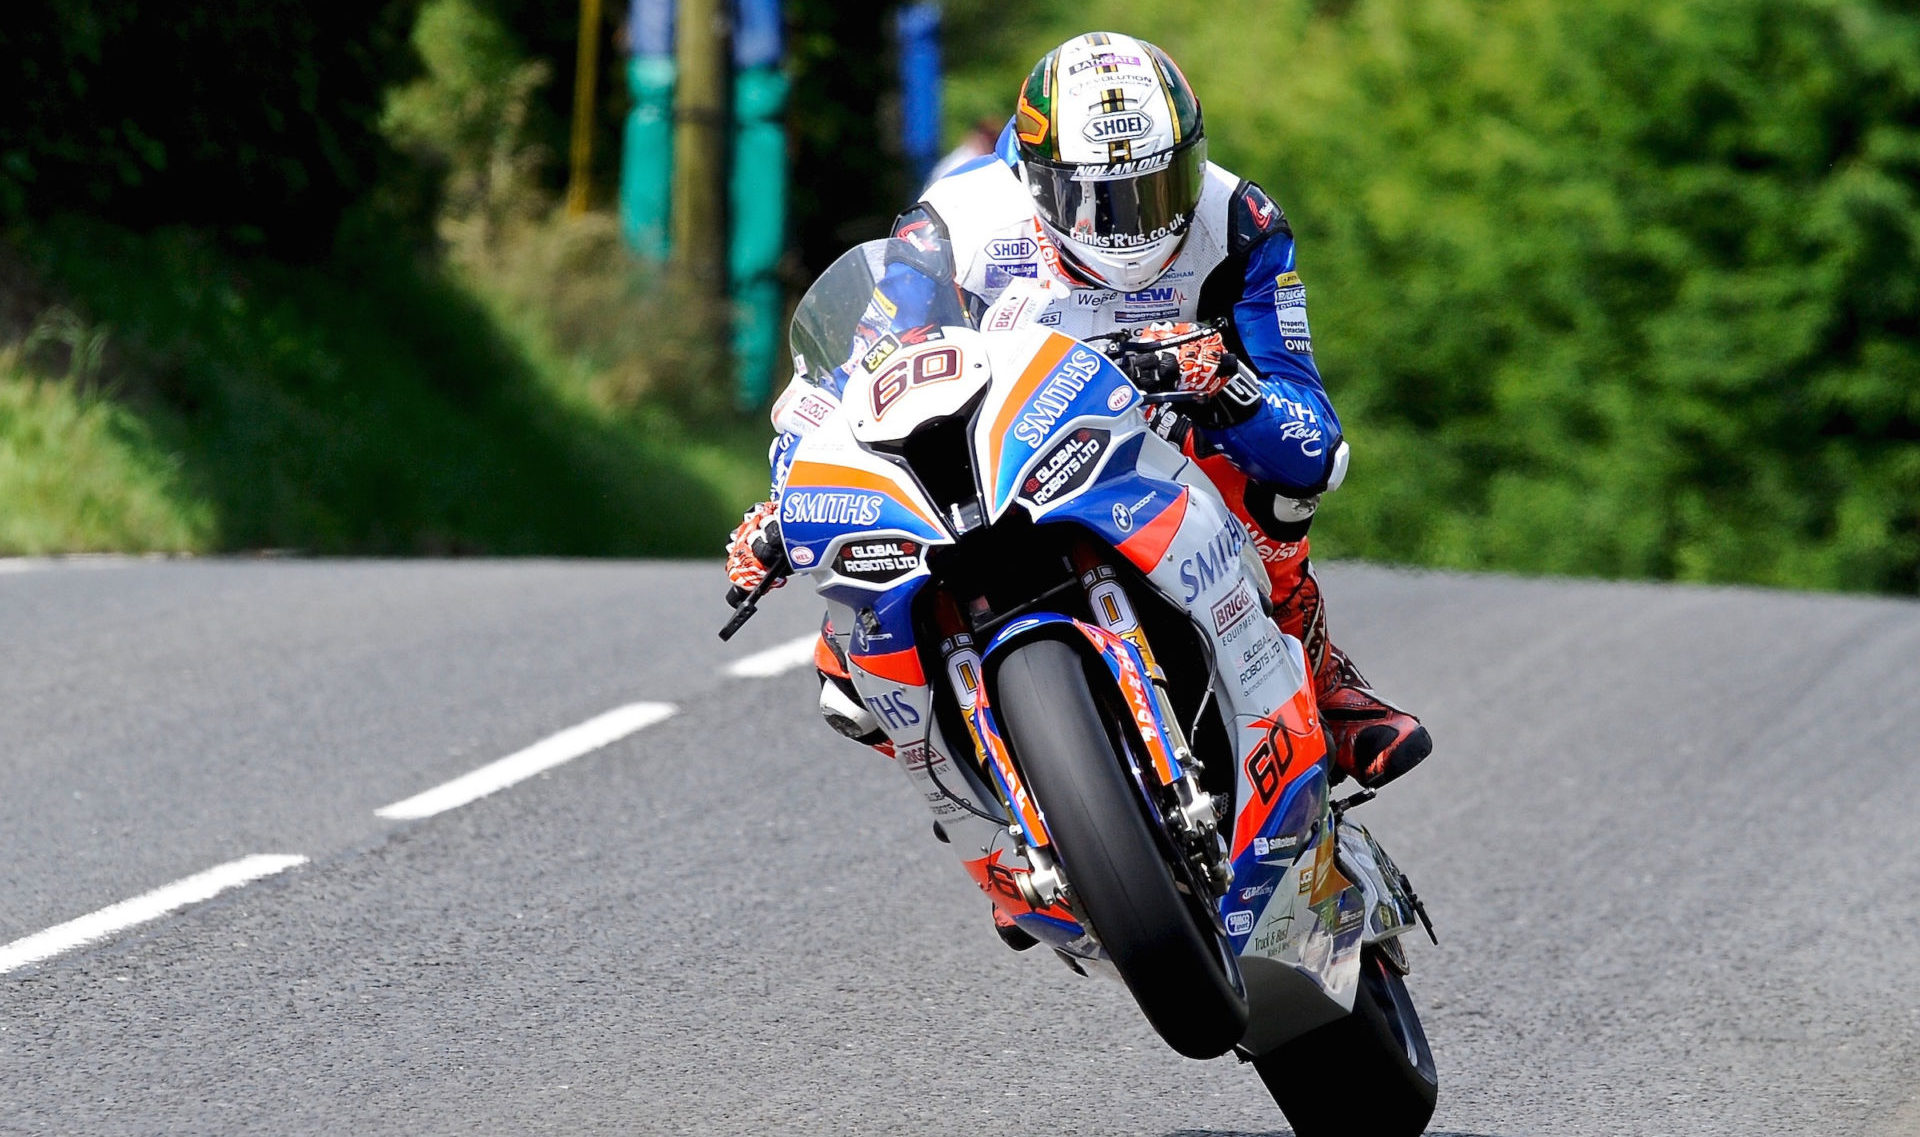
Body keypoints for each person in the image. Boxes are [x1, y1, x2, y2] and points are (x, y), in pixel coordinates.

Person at [728, 31, 1429, 794]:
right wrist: (786, 494)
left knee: (1282, 487)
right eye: (1097, 199)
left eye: (1157, 190)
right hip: (996, 455)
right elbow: (856, 376)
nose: (1132, 224)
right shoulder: (953, 227)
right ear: (1037, 180)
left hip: (1159, 441)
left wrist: (1226, 382)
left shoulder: (1241, 223)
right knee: (846, 672)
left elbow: (1314, 439)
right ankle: (995, 836)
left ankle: (1322, 684)